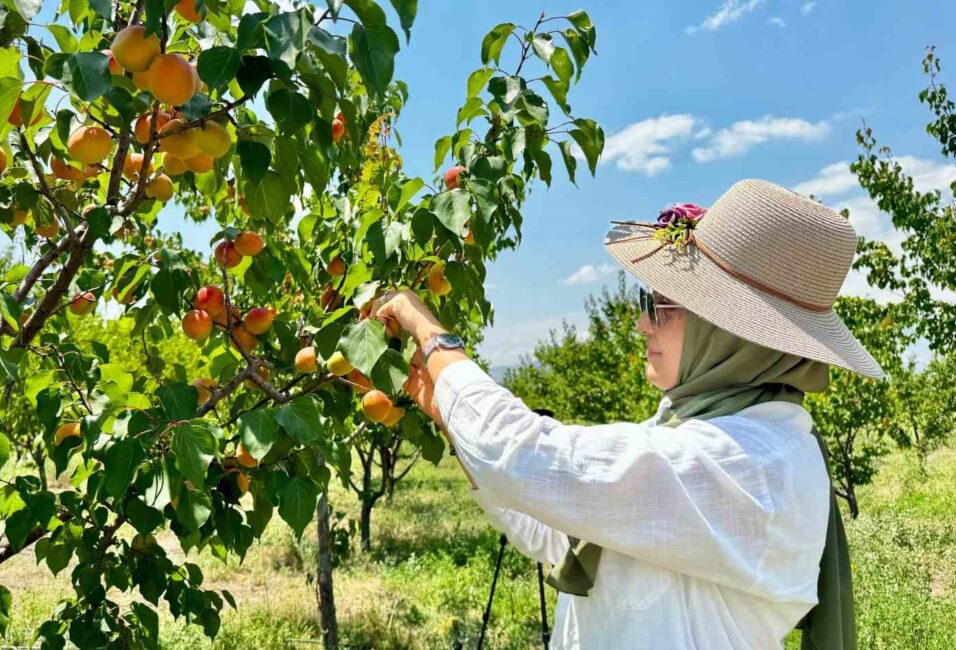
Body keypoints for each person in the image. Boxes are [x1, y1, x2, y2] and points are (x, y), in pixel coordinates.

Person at [370, 180, 879, 649]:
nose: (641, 323)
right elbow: (552, 530)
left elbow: (524, 456)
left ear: (729, 332)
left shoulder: (753, 464)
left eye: (662, 304)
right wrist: (447, 414)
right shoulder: (691, 435)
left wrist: (432, 334)